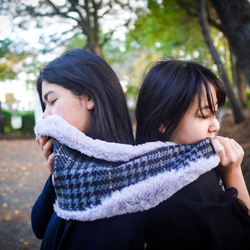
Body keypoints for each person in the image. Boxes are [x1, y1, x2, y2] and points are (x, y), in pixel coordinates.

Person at [31, 49, 147, 250]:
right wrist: (55, 178)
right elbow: (39, 227)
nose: (45, 116)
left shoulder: (116, 188)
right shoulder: (74, 166)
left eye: (52, 101)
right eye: (44, 106)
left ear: (89, 97)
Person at [135, 58, 250, 249]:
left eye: (215, 113)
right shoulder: (194, 187)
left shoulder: (142, 172)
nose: (216, 125)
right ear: (163, 121)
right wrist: (233, 173)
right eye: (204, 115)